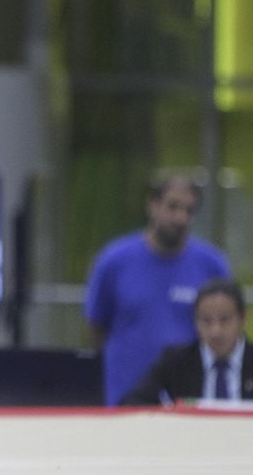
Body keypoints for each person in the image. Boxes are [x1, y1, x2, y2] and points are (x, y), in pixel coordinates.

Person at [85, 173, 230, 405]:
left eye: (189, 210)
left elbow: (225, 330)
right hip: (126, 400)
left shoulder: (212, 264)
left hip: (189, 402)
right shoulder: (113, 261)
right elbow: (97, 327)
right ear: (152, 205)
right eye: (173, 207)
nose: (180, 217)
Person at [121, 278, 253, 405]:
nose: (215, 331)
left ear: (242, 318)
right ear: (195, 322)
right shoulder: (176, 362)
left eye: (225, 320)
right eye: (206, 320)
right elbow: (133, 402)